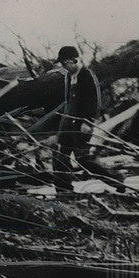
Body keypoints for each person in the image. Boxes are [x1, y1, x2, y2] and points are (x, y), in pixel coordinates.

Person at [52, 45, 124, 192]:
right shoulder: (68, 77)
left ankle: (117, 180)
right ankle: (64, 191)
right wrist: (60, 127)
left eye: (66, 63)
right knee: (60, 157)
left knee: (84, 159)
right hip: (67, 124)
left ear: (75, 59)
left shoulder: (87, 75)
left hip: (81, 125)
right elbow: (67, 102)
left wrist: (87, 121)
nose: (64, 67)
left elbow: (94, 101)